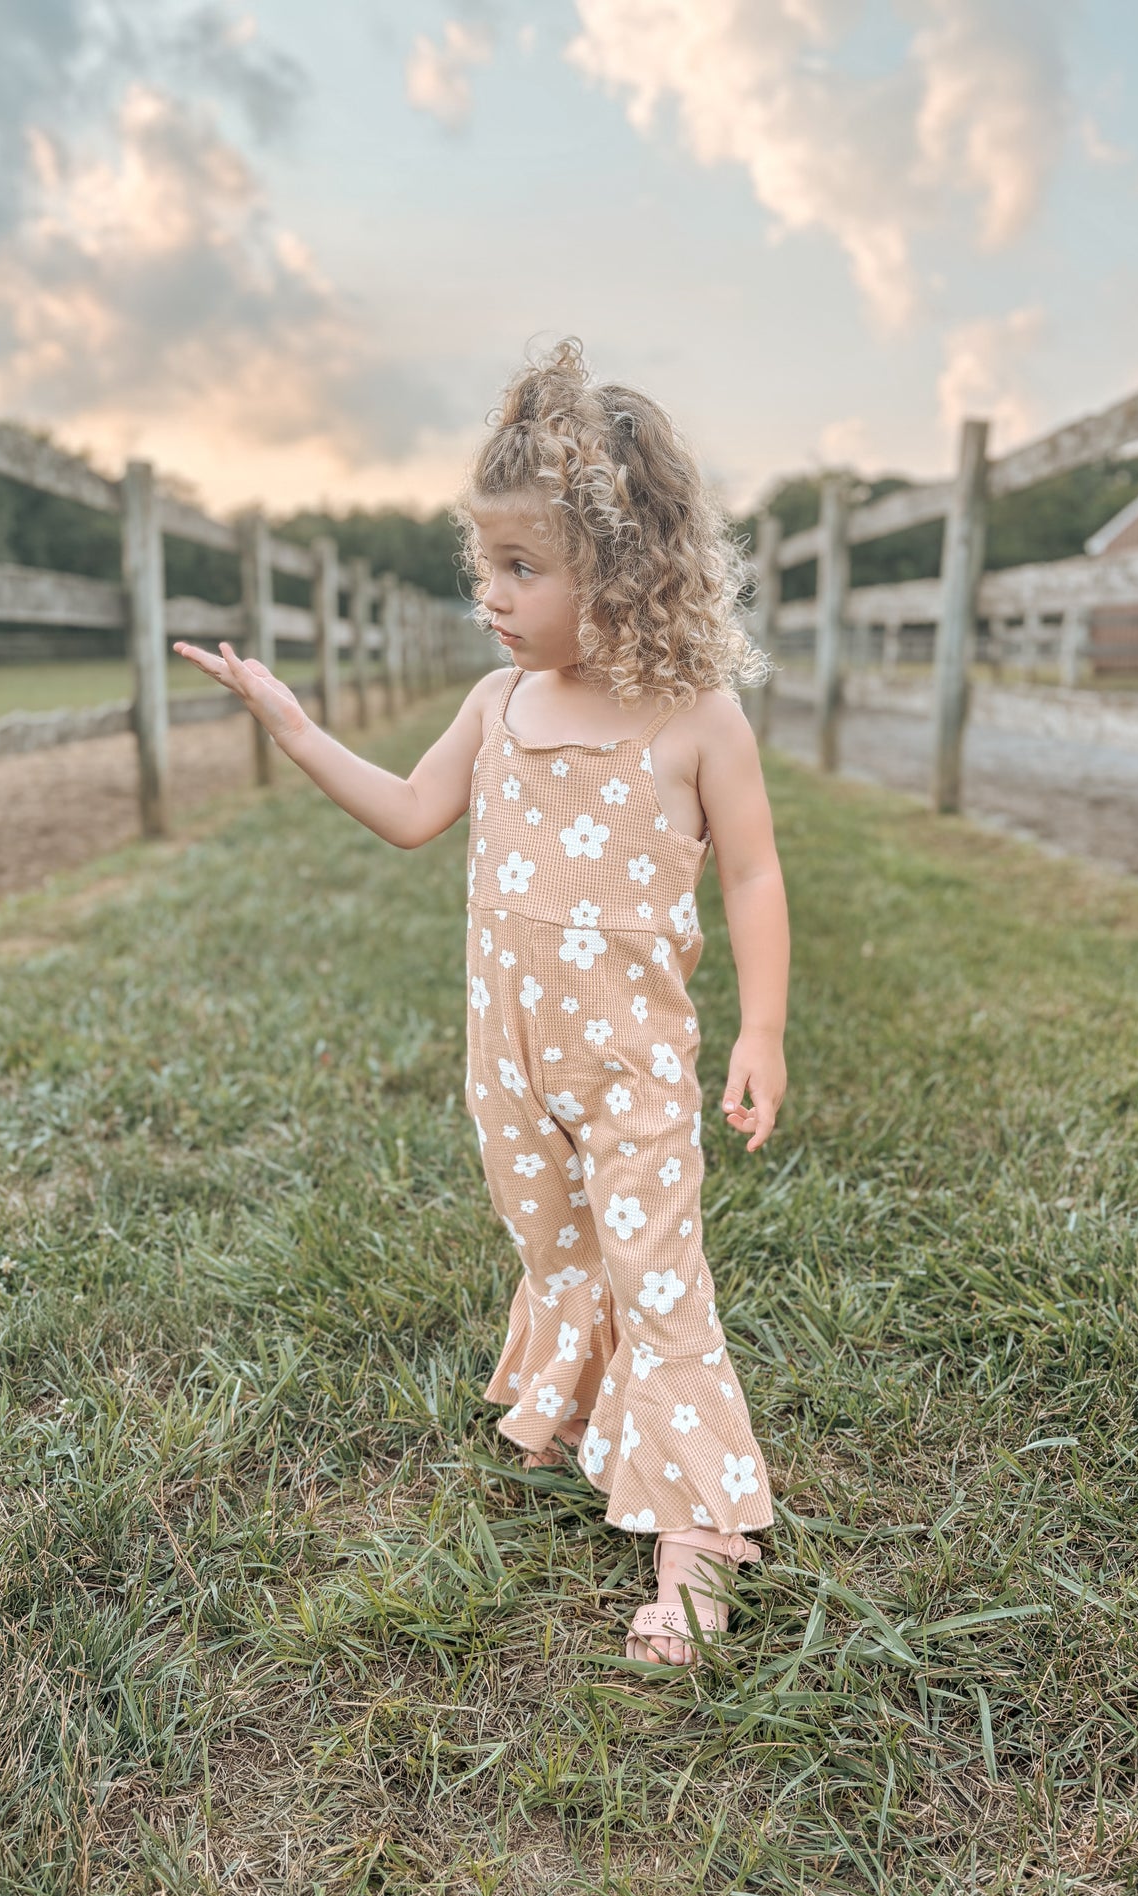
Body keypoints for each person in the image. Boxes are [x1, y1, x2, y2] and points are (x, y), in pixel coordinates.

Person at [174, 338, 790, 1670]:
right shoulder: (495, 704)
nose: (491, 599)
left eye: (523, 568)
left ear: (623, 569)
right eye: (484, 568)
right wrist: (290, 724)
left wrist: (760, 1029)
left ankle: (697, 1539)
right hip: (505, 1067)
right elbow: (407, 815)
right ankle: (582, 1411)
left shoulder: (693, 719)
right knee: (559, 1251)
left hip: (627, 1071)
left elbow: (750, 868)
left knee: (657, 1273)